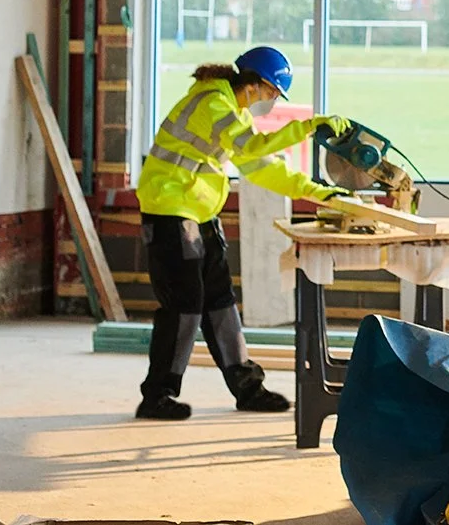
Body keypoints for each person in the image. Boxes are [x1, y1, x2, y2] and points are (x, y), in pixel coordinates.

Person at [134, 44, 352, 420]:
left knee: (220, 301)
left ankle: (248, 388)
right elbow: (253, 146)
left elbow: (261, 167)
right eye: (271, 92)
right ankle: (158, 394)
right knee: (185, 305)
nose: (269, 100)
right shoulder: (210, 105)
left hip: (199, 213)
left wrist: (320, 193)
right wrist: (308, 127)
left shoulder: (231, 112)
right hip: (169, 211)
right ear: (254, 83)